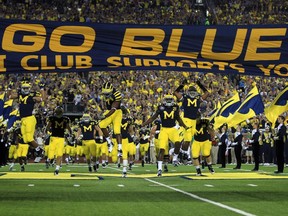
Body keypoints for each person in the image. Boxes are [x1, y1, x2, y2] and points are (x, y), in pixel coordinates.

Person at [142, 94, 187, 177]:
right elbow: (153, 117)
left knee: (178, 143)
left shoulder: (175, 107)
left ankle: (175, 158)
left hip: (173, 129)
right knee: (162, 149)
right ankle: (159, 169)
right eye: (167, 100)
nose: (169, 101)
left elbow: (178, 119)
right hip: (164, 130)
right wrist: (144, 123)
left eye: (170, 100)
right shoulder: (160, 108)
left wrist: (184, 126)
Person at [174, 79, 209, 165]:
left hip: (192, 120)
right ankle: (181, 154)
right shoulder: (197, 98)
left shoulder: (185, 97)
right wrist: (199, 84)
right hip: (188, 120)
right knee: (188, 140)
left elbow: (175, 92)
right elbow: (207, 93)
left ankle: (182, 153)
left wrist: (183, 84)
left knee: (189, 140)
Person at [8, 81, 45, 157]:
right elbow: (10, 96)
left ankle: (39, 150)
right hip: (23, 119)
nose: (25, 89)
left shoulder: (32, 95)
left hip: (29, 118)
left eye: (27, 88)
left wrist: (42, 89)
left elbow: (42, 98)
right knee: (25, 139)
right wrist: (9, 88)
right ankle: (38, 149)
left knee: (29, 138)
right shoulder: (20, 95)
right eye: (24, 88)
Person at [98, 82, 123, 157]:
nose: (105, 95)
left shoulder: (117, 94)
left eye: (107, 93)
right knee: (101, 125)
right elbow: (106, 105)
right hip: (109, 111)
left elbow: (114, 109)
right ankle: (109, 142)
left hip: (117, 112)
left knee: (117, 131)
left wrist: (104, 116)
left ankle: (119, 148)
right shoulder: (104, 94)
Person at [45, 106, 71, 175]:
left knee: (53, 154)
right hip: (60, 138)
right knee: (59, 154)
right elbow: (69, 128)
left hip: (54, 137)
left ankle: (55, 167)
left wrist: (46, 133)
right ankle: (56, 168)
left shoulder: (52, 118)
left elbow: (47, 127)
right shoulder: (65, 119)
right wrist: (70, 134)